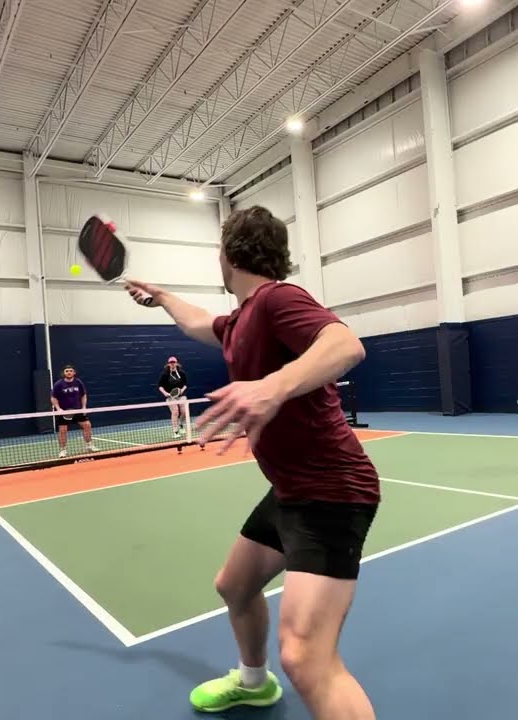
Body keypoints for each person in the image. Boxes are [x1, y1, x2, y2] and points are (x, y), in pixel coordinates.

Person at [124, 205, 379, 719]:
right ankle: (254, 682)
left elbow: (345, 343)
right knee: (235, 585)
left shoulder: (277, 299)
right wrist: (163, 298)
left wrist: (272, 386)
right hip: (289, 489)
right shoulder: (241, 319)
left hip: (331, 491)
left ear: (230, 255)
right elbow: (201, 324)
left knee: (305, 657)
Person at [50, 364, 98, 458]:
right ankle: (63, 450)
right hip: (64, 412)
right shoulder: (58, 384)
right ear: (64, 373)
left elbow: (83, 395)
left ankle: (89, 445)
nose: (69, 372)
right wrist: (58, 409)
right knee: (63, 430)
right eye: (67, 371)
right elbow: (53, 397)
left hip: (77, 410)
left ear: (74, 372)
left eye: (71, 371)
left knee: (87, 425)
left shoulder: (78, 382)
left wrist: (84, 407)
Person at [157, 355, 189, 437]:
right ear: (168, 364)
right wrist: (165, 393)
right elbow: (160, 386)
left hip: (181, 395)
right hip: (170, 396)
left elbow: (185, 384)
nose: (172, 364)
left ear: (176, 363)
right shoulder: (164, 374)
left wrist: (182, 390)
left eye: (173, 362)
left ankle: (181, 424)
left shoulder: (181, 373)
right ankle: (175, 431)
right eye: (171, 362)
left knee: (184, 412)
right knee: (175, 412)